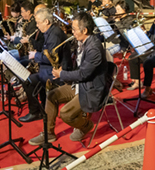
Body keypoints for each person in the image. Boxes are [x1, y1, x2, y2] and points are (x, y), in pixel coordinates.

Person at [28, 12, 108, 145]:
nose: (72, 32)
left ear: (85, 30)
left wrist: (62, 74)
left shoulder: (94, 48)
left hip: (90, 89)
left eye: (75, 29)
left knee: (65, 114)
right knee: (51, 95)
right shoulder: (82, 41)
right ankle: (48, 133)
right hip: (80, 84)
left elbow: (83, 74)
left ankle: (85, 125)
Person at [19, 8, 72, 123]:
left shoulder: (55, 34)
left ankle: (36, 112)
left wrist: (35, 55)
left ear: (46, 22)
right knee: (29, 79)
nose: (37, 26)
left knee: (29, 81)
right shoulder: (50, 32)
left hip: (57, 72)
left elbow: (51, 58)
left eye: (38, 22)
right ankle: (42, 108)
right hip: (49, 68)